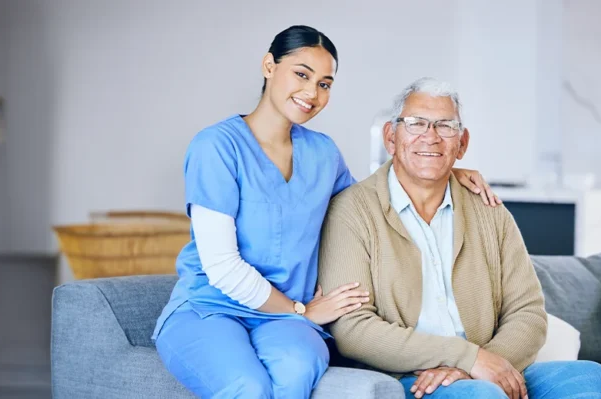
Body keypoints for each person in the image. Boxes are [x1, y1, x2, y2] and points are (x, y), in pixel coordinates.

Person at [152, 26, 501, 399]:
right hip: (212, 307)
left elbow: (369, 205)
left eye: (325, 84)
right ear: (269, 66)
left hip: (284, 322)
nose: (312, 93)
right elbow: (221, 266)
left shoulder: (323, 153)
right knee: (247, 387)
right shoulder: (216, 147)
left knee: (297, 373)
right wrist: (299, 310)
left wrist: (437, 171)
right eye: (302, 74)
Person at [317, 77, 601, 399]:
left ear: (462, 144)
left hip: (488, 364)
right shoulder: (353, 210)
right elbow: (353, 329)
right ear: (391, 138)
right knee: (480, 396)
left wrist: (481, 365)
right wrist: (469, 359)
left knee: (590, 379)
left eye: (446, 126)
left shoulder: (488, 210)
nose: (430, 137)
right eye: (416, 124)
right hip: (409, 377)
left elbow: (528, 312)